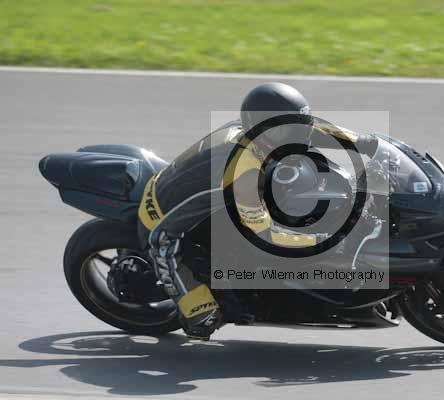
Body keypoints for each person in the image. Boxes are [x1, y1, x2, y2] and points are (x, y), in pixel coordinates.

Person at [137, 82, 378, 338]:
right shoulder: (244, 174)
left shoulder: (259, 135)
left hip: (206, 198)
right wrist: (321, 241)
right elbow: (264, 232)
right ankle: (193, 311)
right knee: (203, 318)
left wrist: (365, 143)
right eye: (288, 130)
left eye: (299, 124)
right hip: (161, 220)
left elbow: (315, 130)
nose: (297, 134)